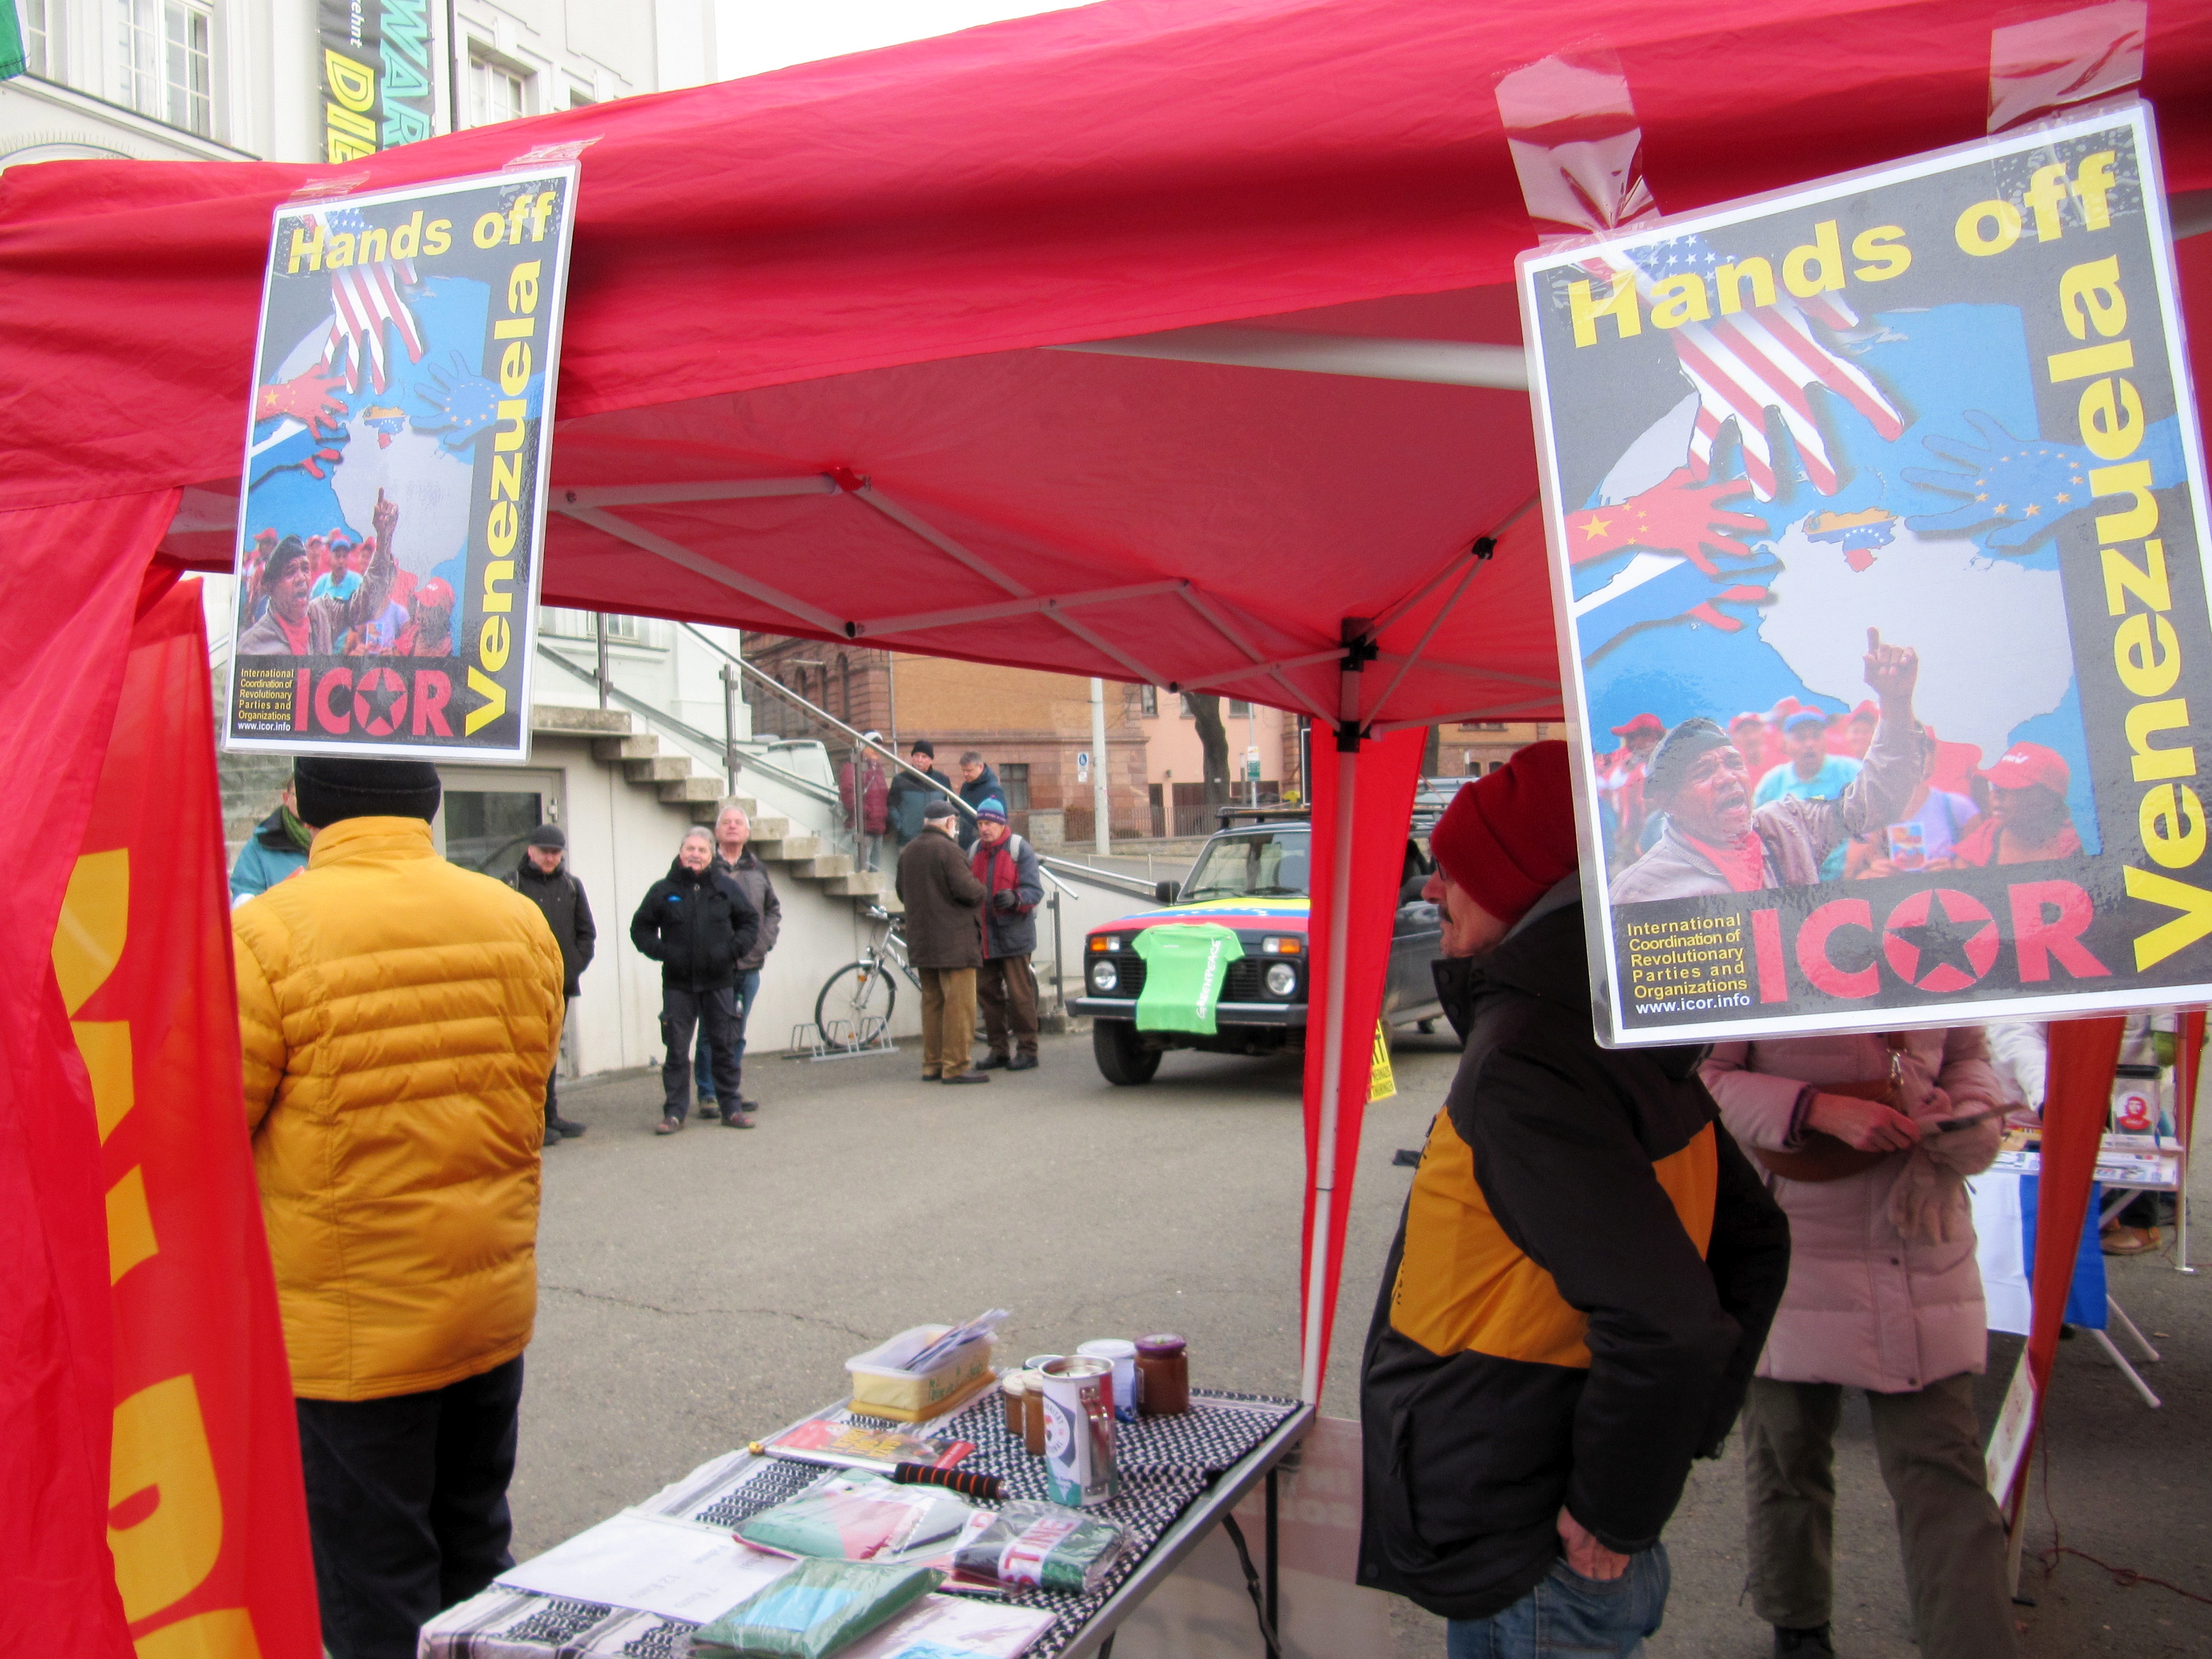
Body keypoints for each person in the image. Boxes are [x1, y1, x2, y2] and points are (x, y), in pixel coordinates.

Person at [1359, 743, 1791, 1656]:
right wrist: (1664, 1451)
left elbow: (1673, 1318)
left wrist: (1613, 1509)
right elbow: (1755, 1243)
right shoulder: (1606, 1023)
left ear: (1520, 883)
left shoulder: (1530, 1054)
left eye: (1456, 871)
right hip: (1538, 1521)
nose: (1431, 890)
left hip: (1533, 1547)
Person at [233, 758, 565, 1659]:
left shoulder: (265, 935)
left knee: (373, 1587)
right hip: (487, 1306)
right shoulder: (517, 919)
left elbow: (209, 1123)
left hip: (352, 1336)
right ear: (429, 802)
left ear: (304, 808)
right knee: (478, 1557)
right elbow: (532, 1077)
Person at [1700, 1030, 2013, 1659]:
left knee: (1945, 1469)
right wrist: (1816, 1110)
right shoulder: (1750, 964)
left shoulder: (1943, 963)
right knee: (1787, 1453)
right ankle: (1796, 1624)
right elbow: (1703, 1082)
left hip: (1919, 1236)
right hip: (1791, 1244)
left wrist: (1971, 1117)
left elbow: (1967, 1057)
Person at [1610, 630, 1925, 904]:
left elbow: (1876, 802)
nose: (1728, 778)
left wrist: (1896, 703)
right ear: (1667, 801)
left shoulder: (1786, 827)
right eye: (1703, 772)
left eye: (1734, 763)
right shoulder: (1640, 892)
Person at [630, 827, 761, 1133]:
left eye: (702, 850)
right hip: (678, 984)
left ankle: (731, 1109)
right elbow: (640, 930)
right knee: (677, 1051)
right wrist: (666, 953)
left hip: (719, 983)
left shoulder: (726, 888)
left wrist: (731, 952)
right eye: (690, 849)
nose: (695, 855)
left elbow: (750, 922)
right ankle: (674, 1113)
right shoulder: (664, 890)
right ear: (681, 853)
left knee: (724, 1048)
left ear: (711, 856)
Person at [505, 823, 596, 1146]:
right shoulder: (511, 885)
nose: (550, 858)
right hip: (524, 986)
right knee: (527, 1053)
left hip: (560, 985)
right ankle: (530, 1121)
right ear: (531, 851)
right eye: (545, 852)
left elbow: (586, 933)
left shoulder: (572, 886)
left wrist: (572, 967)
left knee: (550, 1052)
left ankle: (550, 1115)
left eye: (556, 853)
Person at [695, 802, 780, 1119]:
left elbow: (772, 910)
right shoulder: (704, 866)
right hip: (714, 967)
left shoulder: (758, 869)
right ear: (716, 832)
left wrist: (763, 943)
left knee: (736, 1032)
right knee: (710, 1032)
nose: (732, 826)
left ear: (747, 833)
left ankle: (729, 1090)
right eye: (726, 822)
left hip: (749, 965)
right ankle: (708, 1093)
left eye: (738, 823)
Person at [896, 795, 989, 1083]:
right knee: (960, 1006)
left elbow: (901, 892)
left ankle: (932, 1064)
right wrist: (982, 888)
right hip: (955, 943)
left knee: (932, 1003)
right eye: (955, 823)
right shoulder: (949, 850)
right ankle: (956, 1066)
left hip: (922, 940)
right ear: (950, 822)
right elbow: (969, 891)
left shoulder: (909, 851)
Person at [238, 493, 398, 656]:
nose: (301, 578)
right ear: (271, 587)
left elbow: (365, 606)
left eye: (305, 569)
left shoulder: (322, 613)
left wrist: (384, 538)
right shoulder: (252, 647)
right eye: (290, 572)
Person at [1843, 729, 1980, 878]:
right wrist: (1872, 875)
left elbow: (1980, 874)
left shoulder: (1960, 809)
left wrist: (1952, 871)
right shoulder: (1869, 814)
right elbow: (1850, 878)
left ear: (1932, 757)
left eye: (1920, 751)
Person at [970, 797, 1044, 1072]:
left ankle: (1028, 1050)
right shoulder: (974, 851)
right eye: (980, 823)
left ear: (1001, 824)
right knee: (988, 997)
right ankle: (998, 1050)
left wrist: (1015, 898)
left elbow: (1034, 891)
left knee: (1020, 996)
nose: (984, 829)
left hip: (1014, 936)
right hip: (984, 938)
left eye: (989, 823)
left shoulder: (1019, 849)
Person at [1754, 710, 1864, 879]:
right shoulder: (1772, 783)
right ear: (1786, 744)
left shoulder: (1852, 772)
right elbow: (1755, 834)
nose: (1810, 744)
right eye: (1801, 738)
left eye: (1816, 737)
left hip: (1848, 876)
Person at [1950, 743, 2083, 867]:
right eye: (1995, 785)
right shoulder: (1979, 846)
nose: (1997, 794)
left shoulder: (2073, 851)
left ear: (2048, 801)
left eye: (2012, 787)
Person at [229, 771, 312, 903]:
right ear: (286, 798)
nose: (308, 801)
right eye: (300, 794)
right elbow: (244, 899)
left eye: (313, 794)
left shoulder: (337, 838)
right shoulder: (261, 845)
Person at [1594, 712, 1664, 865]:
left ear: (1651, 737)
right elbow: (1607, 785)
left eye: (1632, 737)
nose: (1628, 744)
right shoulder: (1632, 767)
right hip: (1633, 846)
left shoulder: (1669, 768)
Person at [887, 738, 954, 857]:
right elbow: (892, 806)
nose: (920, 760)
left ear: (931, 760)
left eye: (924, 757)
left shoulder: (942, 780)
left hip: (937, 841)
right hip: (908, 840)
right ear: (912, 758)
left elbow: (950, 806)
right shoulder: (900, 780)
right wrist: (901, 827)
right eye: (917, 756)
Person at [839, 737, 891, 871]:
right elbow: (848, 794)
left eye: (879, 747)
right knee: (861, 869)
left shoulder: (878, 769)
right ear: (863, 747)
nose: (877, 750)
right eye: (872, 746)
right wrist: (865, 812)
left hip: (878, 827)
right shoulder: (853, 767)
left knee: (875, 871)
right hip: (863, 827)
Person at [956, 749, 1002, 851]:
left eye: (969, 771)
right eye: (963, 771)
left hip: (984, 844)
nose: (965, 774)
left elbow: (1000, 821)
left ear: (980, 767)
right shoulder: (966, 786)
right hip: (965, 842)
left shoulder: (993, 789)